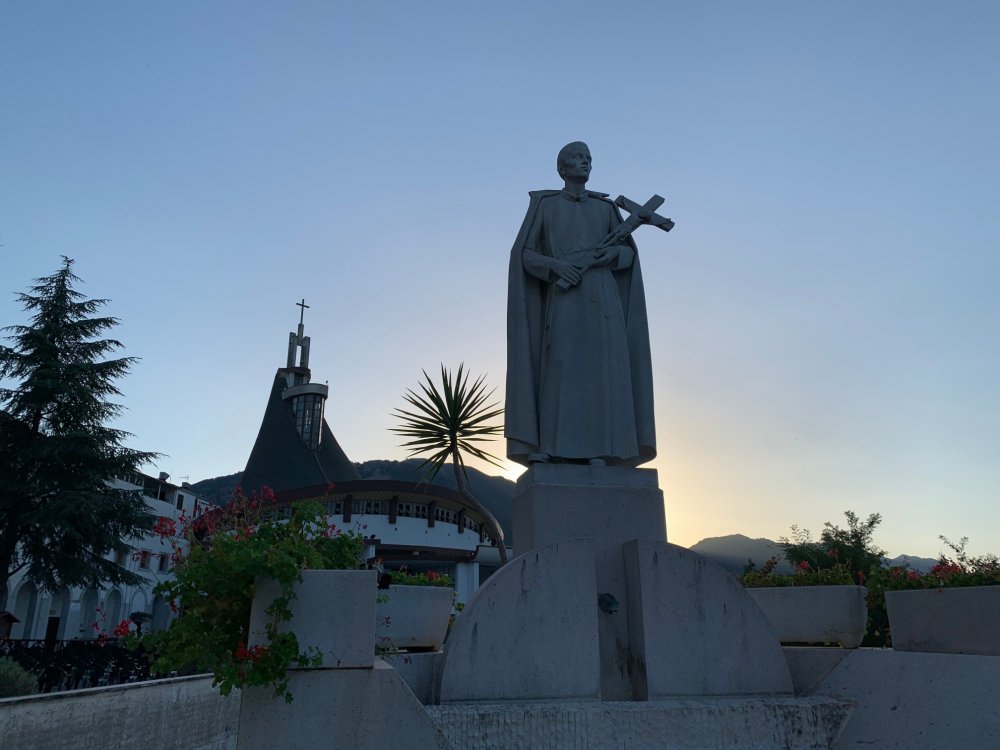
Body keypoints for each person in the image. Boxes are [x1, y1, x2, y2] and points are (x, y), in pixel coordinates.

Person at [505, 142, 656, 467]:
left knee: (603, 371)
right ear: (561, 167)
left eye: (588, 159)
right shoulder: (545, 206)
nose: (584, 163)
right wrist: (556, 267)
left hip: (603, 298)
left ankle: (601, 450)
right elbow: (525, 256)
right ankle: (552, 445)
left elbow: (629, 254)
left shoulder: (605, 209)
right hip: (565, 295)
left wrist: (612, 255)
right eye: (577, 158)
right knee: (560, 366)